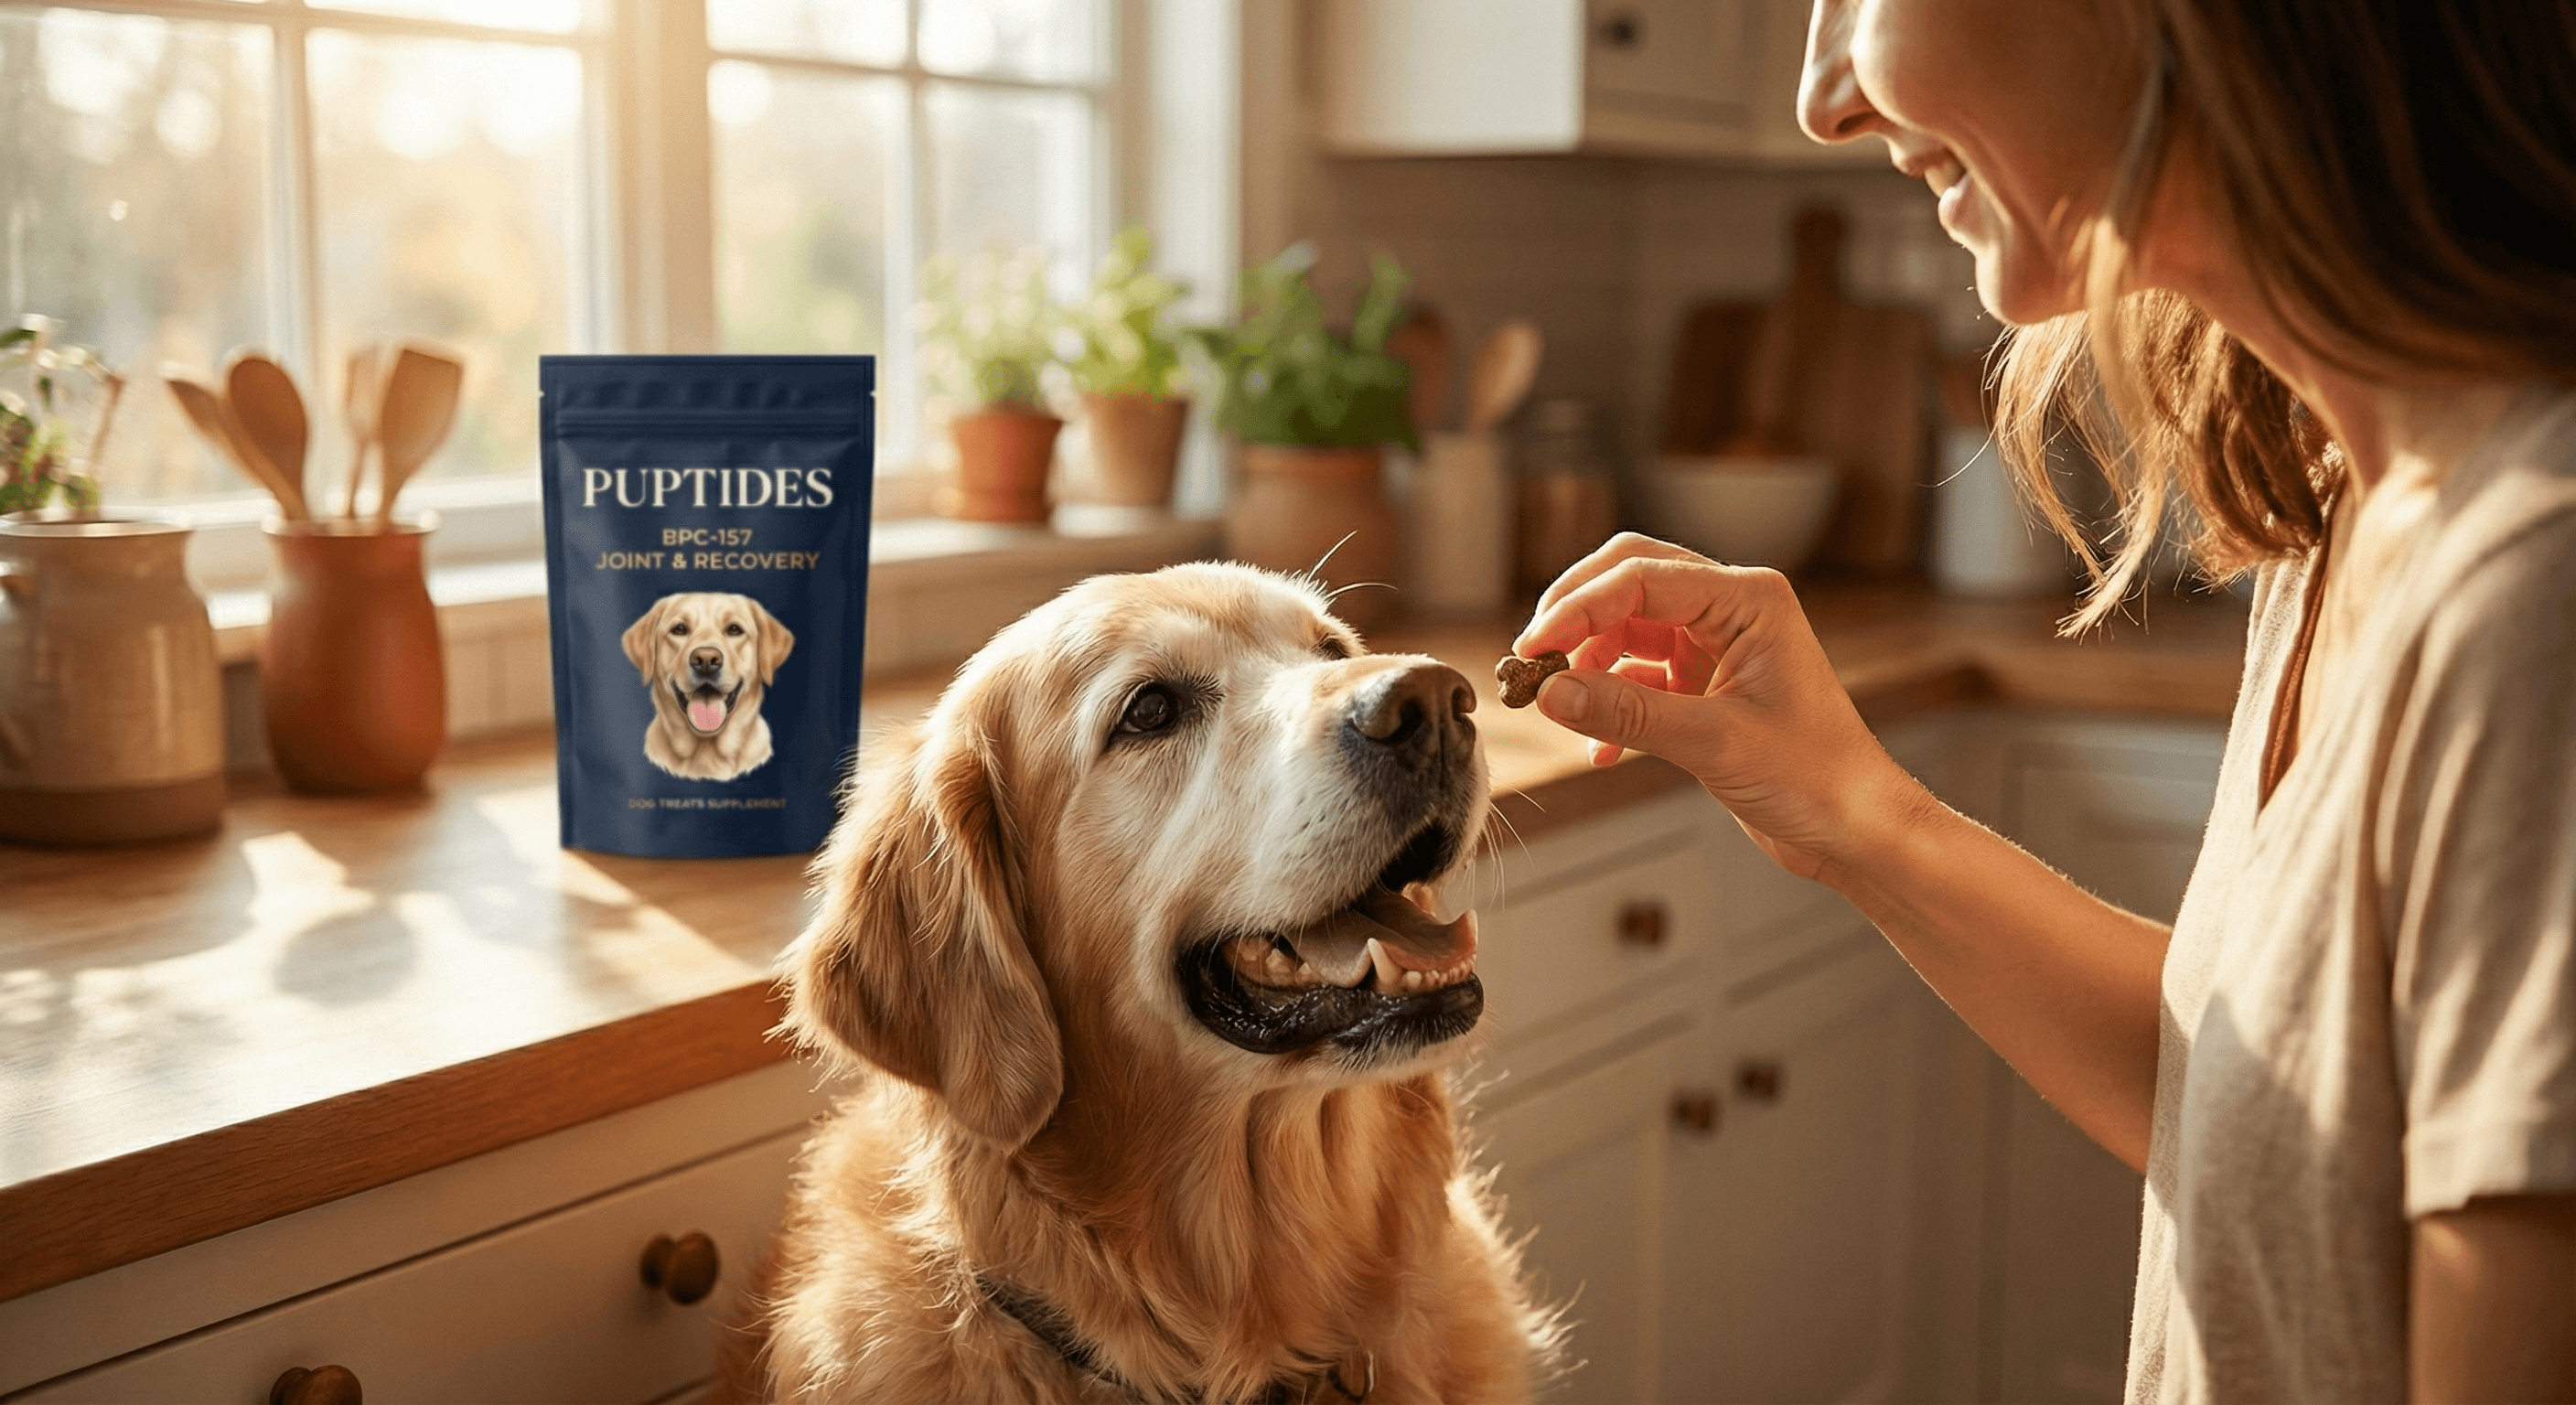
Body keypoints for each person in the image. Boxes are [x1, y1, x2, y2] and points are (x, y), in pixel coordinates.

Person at [1511, 2, 2576, 1401]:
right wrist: (1849, 813)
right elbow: (2253, 1122)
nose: (1825, 99)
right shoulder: (2340, 503)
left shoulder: (2534, 598)